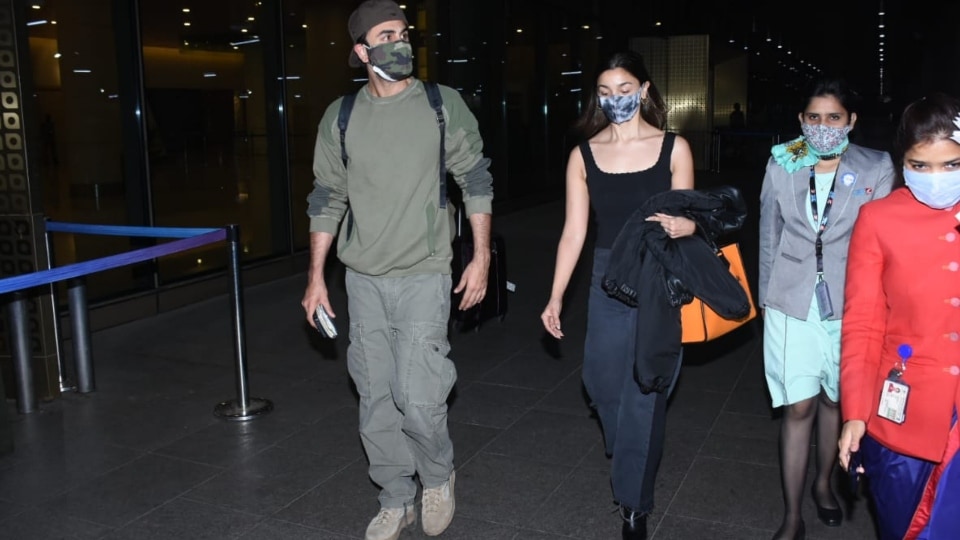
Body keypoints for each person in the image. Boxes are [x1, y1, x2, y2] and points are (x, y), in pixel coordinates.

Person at [300, 1, 494, 539]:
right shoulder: (341, 117)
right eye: (388, 35)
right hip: (362, 278)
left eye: (405, 33)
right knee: (374, 393)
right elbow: (326, 197)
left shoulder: (440, 105)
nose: (402, 42)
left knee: (419, 392)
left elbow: (475, 179)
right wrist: (316, 277)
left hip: (424, 272)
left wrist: (480, 257)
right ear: (362, 50)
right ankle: (394, 495)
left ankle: (437, 477)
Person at [540, 51, 696, 540]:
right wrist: (554, 297)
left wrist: (687, 224)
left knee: (645, 390)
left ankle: (634, 503)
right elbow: (574, 232)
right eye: (606, 92)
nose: (616, 100)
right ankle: (628, 442)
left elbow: (693, 221)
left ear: (645, 89)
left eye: (625, 89)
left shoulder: (675, 148)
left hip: (658, 274)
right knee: (602, 382)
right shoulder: (583, 155)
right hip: (609, 276)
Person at [758, 77, 894, 540]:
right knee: (797, 407)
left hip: (850, 301)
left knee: (836, 400)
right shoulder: (784, 160)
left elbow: (884, 241)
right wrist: (765, 298)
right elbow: (768, 234)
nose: (822, 127)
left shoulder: (875, 167)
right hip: (791, 300)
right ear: (800, 121)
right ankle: (792, 515)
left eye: (833, 117)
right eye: (813, 117)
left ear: (851, 121)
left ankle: (823, 484)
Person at [838, 92, 960, 539]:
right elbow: (863, 324)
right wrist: (855, 412)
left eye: (952, 164)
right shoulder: (878, 219)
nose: (936, 177)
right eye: (920, 165)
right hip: (905, 415)